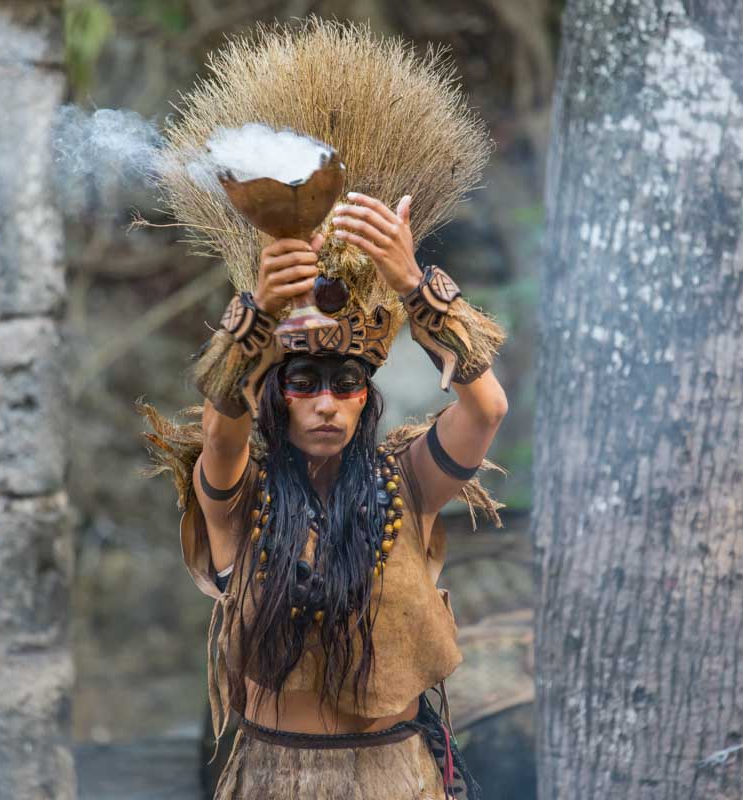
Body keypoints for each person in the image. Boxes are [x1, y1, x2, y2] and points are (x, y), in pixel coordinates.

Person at [138, 19, 507, 799]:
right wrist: (257, 319)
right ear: (276, 392)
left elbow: (486, 409)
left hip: (396, 776)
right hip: (274, 777)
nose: (328, 404)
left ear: (367, 396)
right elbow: (220, 429)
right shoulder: (240, 495)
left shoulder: (407, 480)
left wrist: (416, 288)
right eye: (303, 384)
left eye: (346, 386)